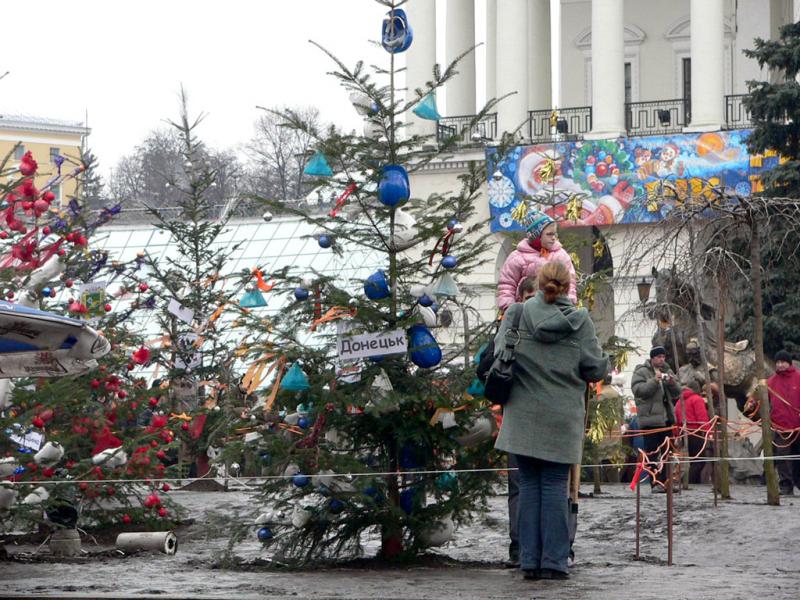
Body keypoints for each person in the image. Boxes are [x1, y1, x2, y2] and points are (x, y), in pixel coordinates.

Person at [494, 262, 608, 581]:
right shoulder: (580, 320)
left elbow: (500, 352)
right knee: (556, 486)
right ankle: (554, 562)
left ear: (540, 283)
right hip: (561, 418)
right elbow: (596, 369)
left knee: (528, 486)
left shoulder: (517, 314)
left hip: (521, 416)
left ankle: (529, 561)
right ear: (568, 285)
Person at [477, 275, 538, 568]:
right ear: (520, 298)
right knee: (518, 484)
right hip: (516, 416)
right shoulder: (508, 328)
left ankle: (546, 545)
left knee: (548, 485)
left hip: (546, 420)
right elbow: (485, 368)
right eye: (528, 297)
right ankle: (519, 545)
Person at [496, 211, 577, 312]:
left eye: (554, 234)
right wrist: (510, 309)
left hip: (555, 310)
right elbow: (507, 285)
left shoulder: (560, 255)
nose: (553, 238)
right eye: (549, 234)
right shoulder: (517, 257)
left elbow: (570, 281)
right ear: (536, 236)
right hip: (525, 312)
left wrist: (568, 303)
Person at [631, 346, 681, 493]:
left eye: (663, 357)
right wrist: (654, 381)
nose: (662, 359)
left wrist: (671, 382)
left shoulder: (667, 370)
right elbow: (639, 391)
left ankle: (666, 481)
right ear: (652, 358)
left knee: (667, 452)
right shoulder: (641, 371)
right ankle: (655, 482)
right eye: (659, 357)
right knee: (652, 452)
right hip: (650, 420)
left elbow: (678, 392)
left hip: (666, 419)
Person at [766, 350, 800, 496]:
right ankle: (785, 485)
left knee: (797, 456)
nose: (780, 365)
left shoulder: (798, 378)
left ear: (789, 363)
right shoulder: (771, 381)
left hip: (798, 425)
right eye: (778, 362)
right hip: (780, 426)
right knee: (782, 457)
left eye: (783, 362)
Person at [674, 381, 713, 484]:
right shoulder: (697, 399)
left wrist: (677, 436)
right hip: (696, 433)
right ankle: (691, 482)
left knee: (692, 460)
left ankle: (691, 482)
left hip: (684, 433)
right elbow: (702, 418)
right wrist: (709, 432)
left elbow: (677, 420)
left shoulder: (679, 401)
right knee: (699, 461)